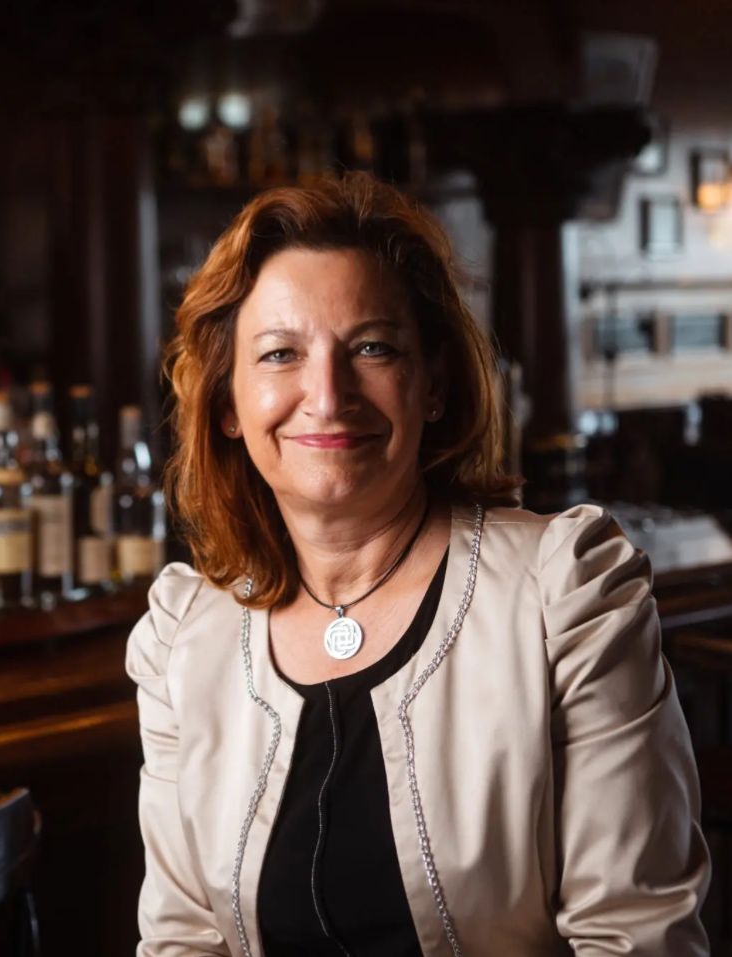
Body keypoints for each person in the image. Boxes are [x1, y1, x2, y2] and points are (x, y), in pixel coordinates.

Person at [126, 172, 710, 956]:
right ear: (228, 404)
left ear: (432, 383)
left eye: (370, 347)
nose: (326, 396)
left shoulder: (562, 593)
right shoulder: (182, 639)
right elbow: (183, 941)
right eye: (279, 354)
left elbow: (638, 938)